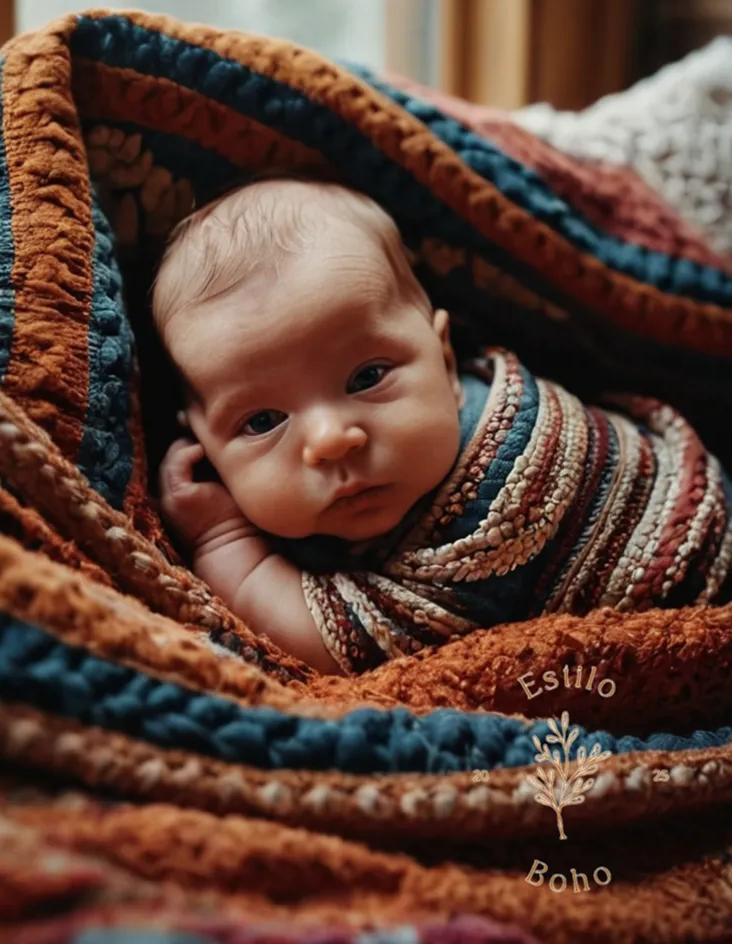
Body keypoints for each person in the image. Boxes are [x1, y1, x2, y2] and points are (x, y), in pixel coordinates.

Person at [153, 178, 732, 675]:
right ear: (202, 445)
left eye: (366, 377)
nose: (331, 439)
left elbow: (344, 648)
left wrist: (223, 544)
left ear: (447, 362)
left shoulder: (500, 501)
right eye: (262, 421)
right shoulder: (419, 445)